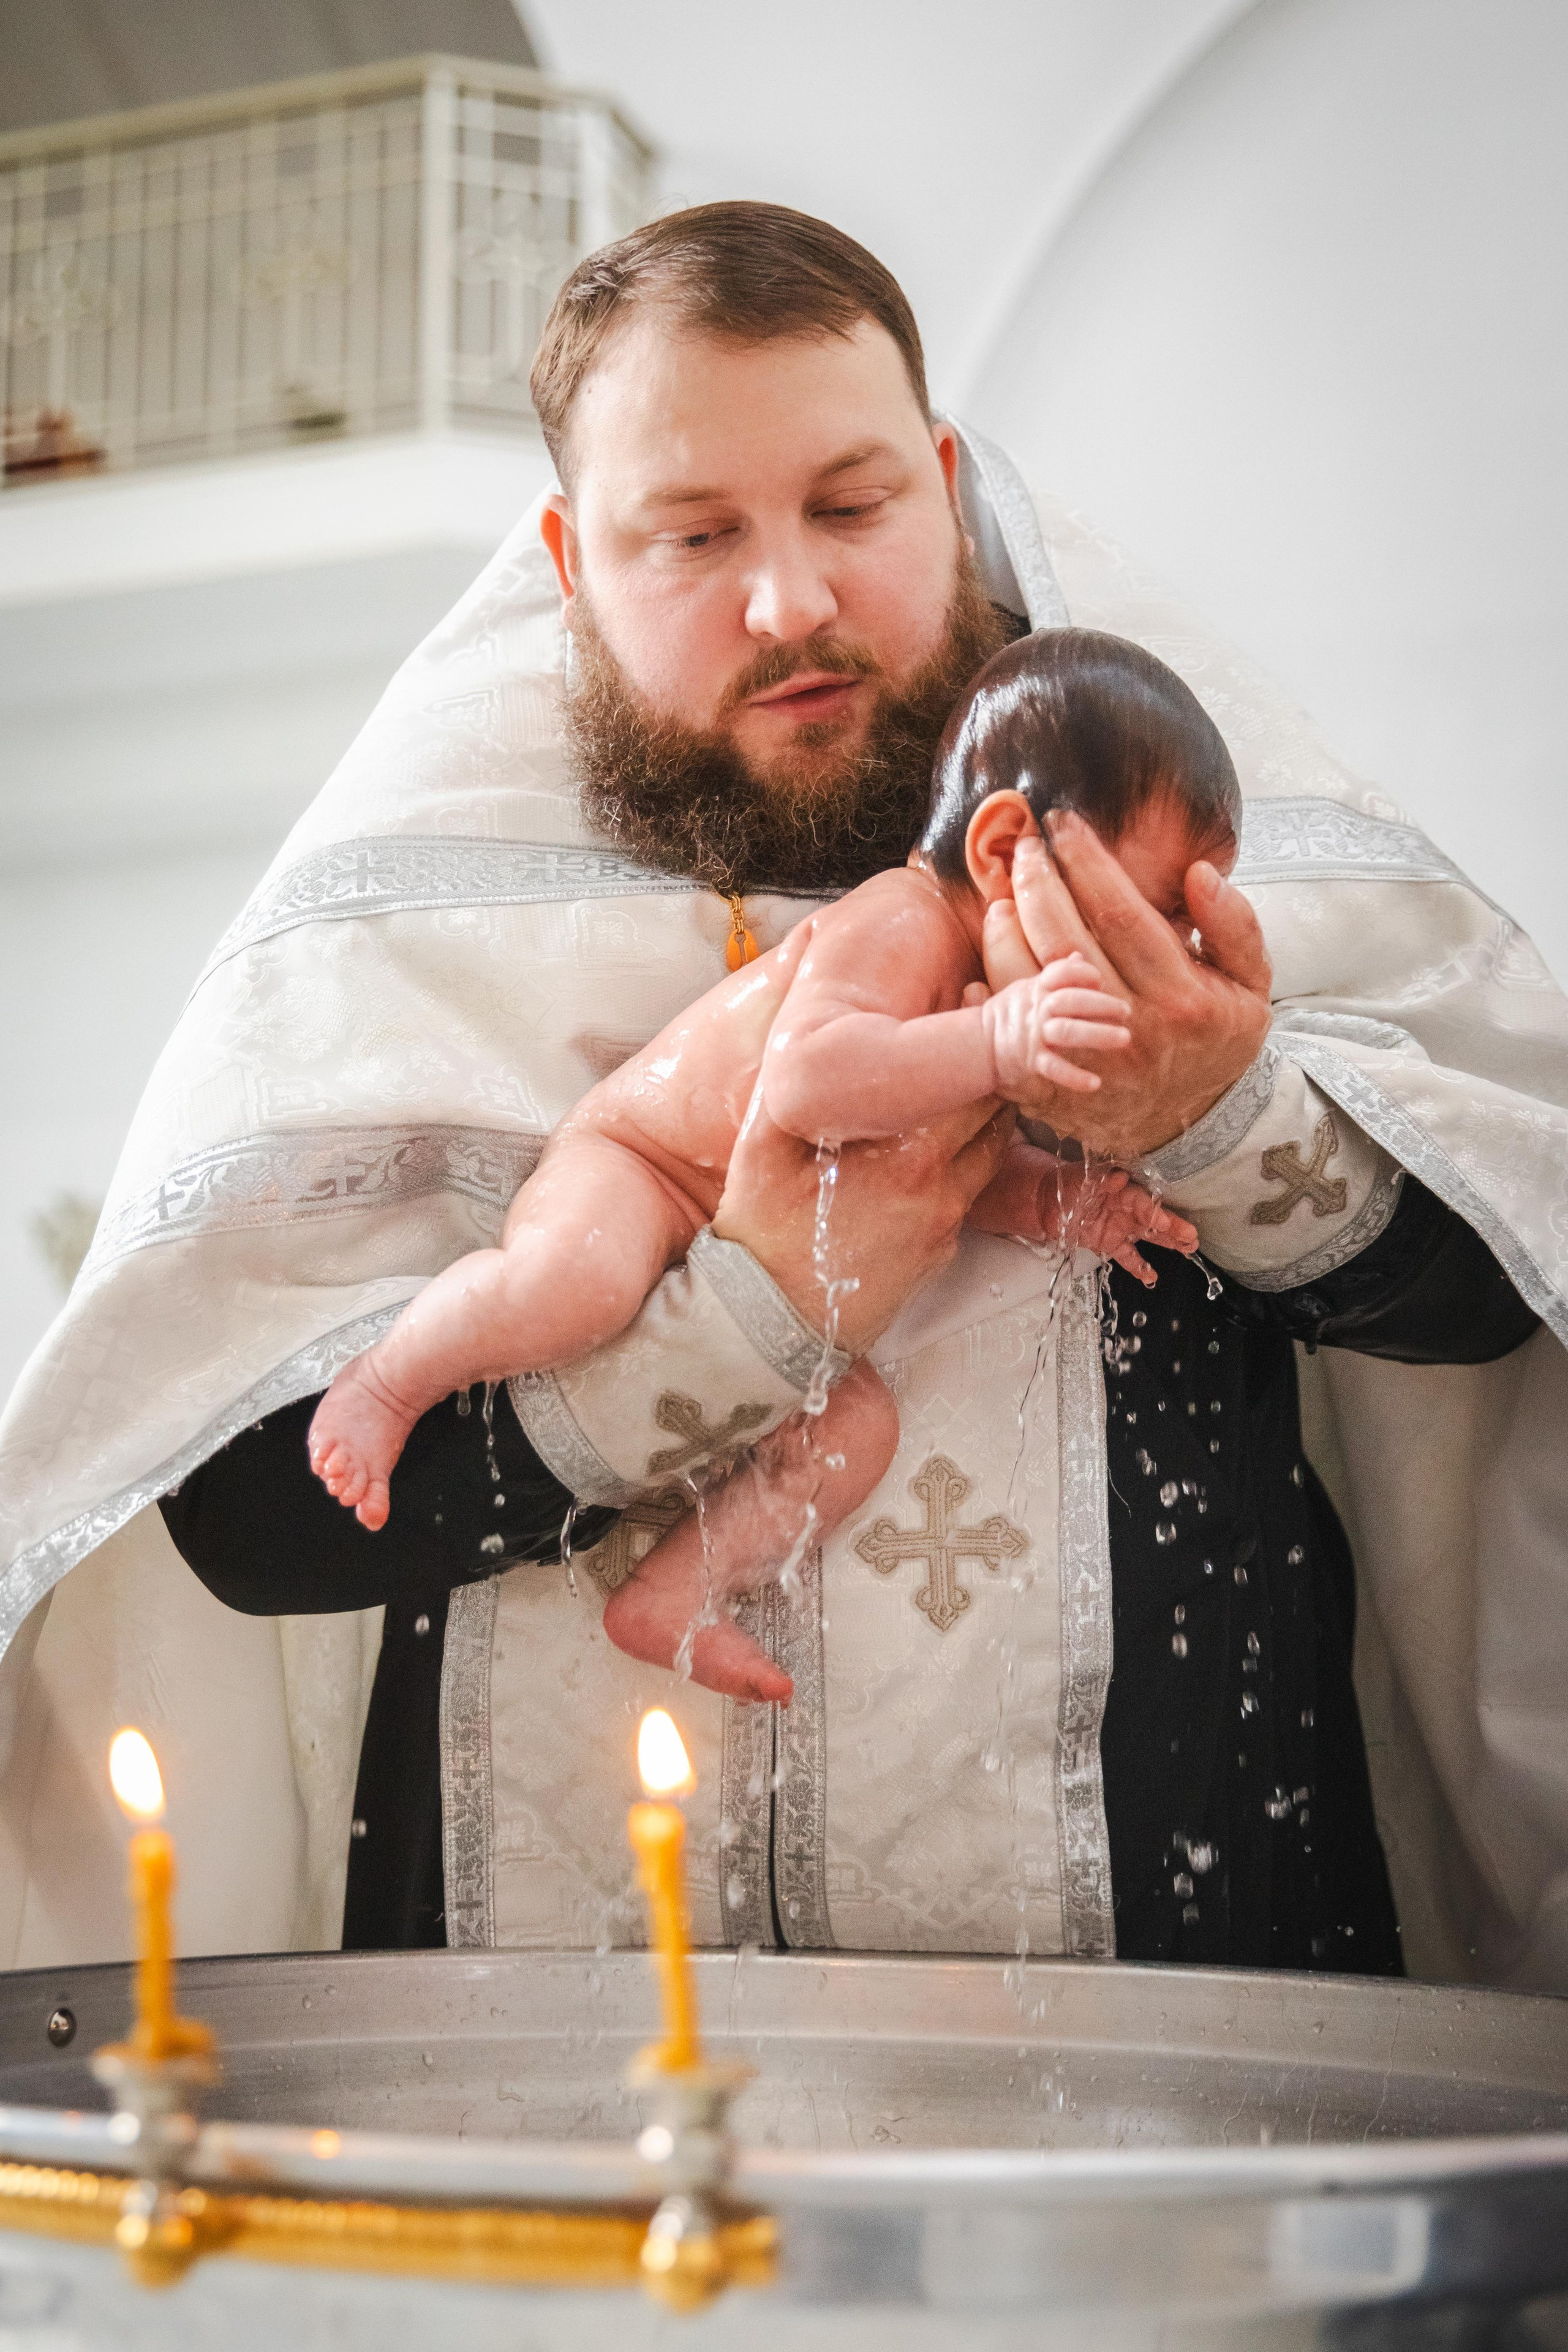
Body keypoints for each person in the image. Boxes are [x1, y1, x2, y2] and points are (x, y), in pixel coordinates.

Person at [1, 205, 1562, 1988]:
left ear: (951, 484)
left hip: (1175, 2047)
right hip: (540, 2090)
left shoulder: (1180, 850)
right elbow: (256, 1525)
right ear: (568, 563)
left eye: (852, 505)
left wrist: (1215, 1111)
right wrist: (730, 1317)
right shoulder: (403, 954)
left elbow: (1501, 1321)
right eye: (690, 535)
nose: (793, 601)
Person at [306, 631, 1218, 1700]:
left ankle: (677, 1595)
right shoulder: (906, 923)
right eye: (1151, 914)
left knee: (857, 1430)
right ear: (1004, 843)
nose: (1173, 960)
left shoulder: (990, 1002)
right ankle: (391, 1380)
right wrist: (998, 1044)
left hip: (744, 1245)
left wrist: (1065, 1199)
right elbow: (810, 1085)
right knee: (580, 1284)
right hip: (645, 1171)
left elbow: (955, 1169)